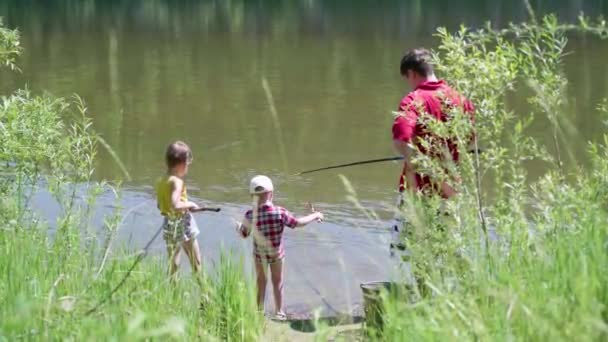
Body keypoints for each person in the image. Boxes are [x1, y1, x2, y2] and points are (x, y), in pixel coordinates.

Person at [237, 175, 323, 321]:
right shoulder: (280, 212)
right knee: (278, 282)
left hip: (260, 256)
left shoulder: (250, 214)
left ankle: (259, 311)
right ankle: (279, 312)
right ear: (272, 194)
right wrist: (315, 215)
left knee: (261, 281)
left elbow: (244, 235)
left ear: (252, 196)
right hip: (277, 255)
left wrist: (238, 227)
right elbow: (298, 223)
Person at [155, 141, 202, 277]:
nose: (188, 166)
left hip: (169, 223)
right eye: (188, 162)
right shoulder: (177, 182)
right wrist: (190, 204)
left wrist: (183, 204)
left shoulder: (162, 181)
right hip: (183, 223)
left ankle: (172, 293)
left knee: (173, 262)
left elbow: (161, 205)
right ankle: (205, 295)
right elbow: (175, 205)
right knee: (196, 261)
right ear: (182, 163)